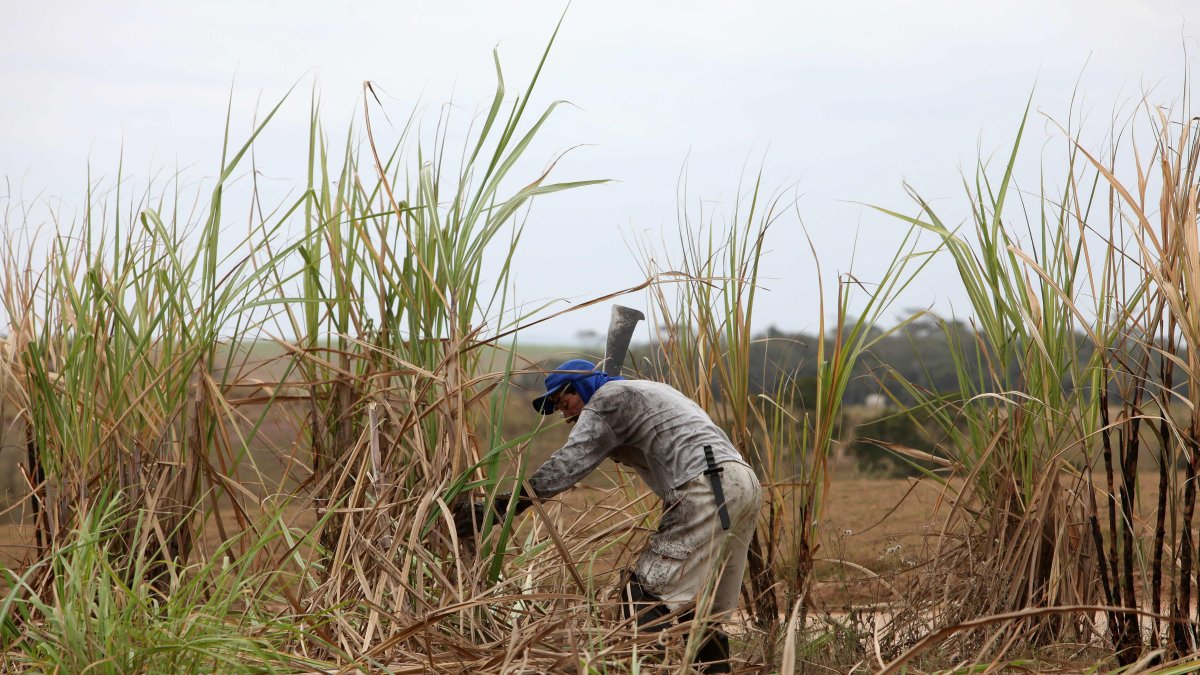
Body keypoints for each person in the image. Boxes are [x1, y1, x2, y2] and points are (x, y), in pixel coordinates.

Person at [460, 359, 761, 672]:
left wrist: (500, 509)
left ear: (580, 388)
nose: (566, 416)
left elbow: (568, 464)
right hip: (741, 484)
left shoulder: (607, 400)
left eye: (564, 404)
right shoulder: (646, 391)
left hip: (704, 486)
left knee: (645, 593)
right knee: (701, 610)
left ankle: (642, 668)